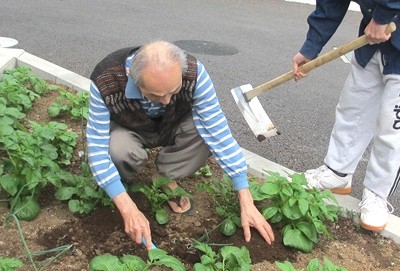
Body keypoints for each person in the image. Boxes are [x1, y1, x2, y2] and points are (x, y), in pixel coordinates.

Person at [87, 40, 275, 250]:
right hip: (130, 130)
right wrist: (128, 209)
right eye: (156, 95)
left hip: (173, 126)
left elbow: (219, 131)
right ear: (133, 77)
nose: (167, 101)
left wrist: (246, 199)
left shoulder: (194, 73)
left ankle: (166, 176)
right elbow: (96, 147)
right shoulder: (106, 79)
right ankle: (123, 181)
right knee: (116, 149)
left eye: (173, 91)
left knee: (206, 133)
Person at [292, 0, 400, 232]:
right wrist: (310, 48)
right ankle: (337, 172)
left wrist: (382, 17)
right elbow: (331, 3)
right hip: (371, 44)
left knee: (392, 129)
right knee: (352, 109)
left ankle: (377, 194)